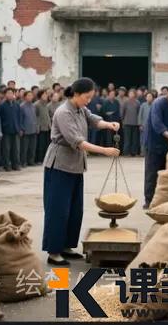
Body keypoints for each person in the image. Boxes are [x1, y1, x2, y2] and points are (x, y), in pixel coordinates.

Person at [42, 78, 121, 266]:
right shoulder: (63, 112)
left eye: (91, 98)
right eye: (87, 97)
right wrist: (105, 150)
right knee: (58, 209)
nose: (89, 101)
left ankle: (67, 246)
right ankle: (54, 251)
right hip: (59, 165)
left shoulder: (80, 108)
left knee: (74, 209)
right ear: (76, 94)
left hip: (76, 166)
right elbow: (78, 142)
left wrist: (109, 124)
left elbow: (93, 119)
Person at [0, 87, 21, 171]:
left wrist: (19, 128)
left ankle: (16, 165)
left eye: (11, 93)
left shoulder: (16, 105)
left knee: (15, 149)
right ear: (5, 95)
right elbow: (0, 118)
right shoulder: (2, 105)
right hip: (6, 130)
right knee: (6, 149)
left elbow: (19, 117)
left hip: (15, 129)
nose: (10, 95)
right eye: (8, 93)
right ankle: (7, 165)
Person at [19, 90, 39, 167]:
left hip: (33, 129)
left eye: (31, 95)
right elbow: (20, 119)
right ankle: (23, 162)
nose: (30, 97)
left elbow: (35, 117)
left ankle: (31, 161)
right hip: (25, 130)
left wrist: (37, 126)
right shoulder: (22, 106)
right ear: (25, 97)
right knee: (24, 148)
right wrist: (21, 128)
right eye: (28, 95)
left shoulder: (33, 106)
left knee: (32, 147)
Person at [120, 88, 141, 156]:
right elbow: (122, 113)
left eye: (132, 93)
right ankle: (126, 152)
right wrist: (122, 121)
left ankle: (133, 152)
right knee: (127, 139)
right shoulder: (125, 102)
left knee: (134, 139)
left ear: (135, 94)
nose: (131, 95)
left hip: (135, 123)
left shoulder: (137, 102)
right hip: (127, 122)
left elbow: (139, 113)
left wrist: (139, 122)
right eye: (130, 93)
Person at [35, 89, 52, 164]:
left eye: (46, 94)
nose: (45, 96)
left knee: (46, 144)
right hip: (40, 128)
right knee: (40, 145)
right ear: (40, 95)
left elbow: (47, 116)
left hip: (47, 127)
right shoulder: (37, 105)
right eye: (44, 94)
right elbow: (36, 117)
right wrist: (37, 126)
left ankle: (45, 158)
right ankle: (39, 159)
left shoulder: (46, 104)